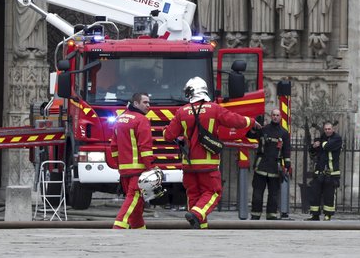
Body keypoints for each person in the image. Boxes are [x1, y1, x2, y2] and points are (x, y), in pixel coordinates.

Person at [164, 76, 255, 229]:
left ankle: (199, 227)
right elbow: (234, 120)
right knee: (213, 192)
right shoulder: (214, 108)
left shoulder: (182, 112)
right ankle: (197, 215)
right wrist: (251, 122)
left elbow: (168, 136)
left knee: (193, 194)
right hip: (208, 163)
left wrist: (167, 130)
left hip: (189, 164)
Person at [106, 93, 154, 230]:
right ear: (136, 104)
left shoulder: (120, 119)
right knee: (133, 199)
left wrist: (118, 164)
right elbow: (145, 148)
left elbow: (113, 147)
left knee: (137, 205)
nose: (148, 105)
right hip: (138, 170)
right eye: (145, 102)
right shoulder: (141, 120)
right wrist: (150, 168)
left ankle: (140, 231)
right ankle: (119, 227)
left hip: (125, 170)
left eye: (149, 102)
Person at [250, 108, 291, 220]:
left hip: (275, 167)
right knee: (257, 194)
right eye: (273, 115)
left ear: (280, 117)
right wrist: (254, 126)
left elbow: (286, 150)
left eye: (277, 115)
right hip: (261, 166)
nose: (275, 117)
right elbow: (249, 135)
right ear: (271, 116)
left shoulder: (284, 133)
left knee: (273, 195)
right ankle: (255, 216)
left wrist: (287, 166)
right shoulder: (264, 129)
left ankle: (271, 217)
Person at [307, 121, 343, 221]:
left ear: (333, 129)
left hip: (331, 173)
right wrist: (313, 147)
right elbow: (312, 152)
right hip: (319, 172)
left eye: (329, 129)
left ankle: (328, 215)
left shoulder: (337, 138)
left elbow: (328, 146)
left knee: (329, 195)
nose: (327, 131)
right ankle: (314, 215)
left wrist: (321, 143)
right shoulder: (321, 138)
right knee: (315, 194)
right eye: (326, 129)